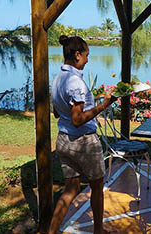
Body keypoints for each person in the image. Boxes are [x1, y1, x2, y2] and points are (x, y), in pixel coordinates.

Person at [49, 35, 115, 234]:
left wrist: (89, 102)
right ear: (77, 54)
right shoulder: (76, 82)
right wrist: (103, 105)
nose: (87, 60)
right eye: (86, 55)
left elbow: (57, 112)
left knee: (70, 190)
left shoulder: (58, 79)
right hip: (83, 143)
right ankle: (98, 231)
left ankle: (50, 232)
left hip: (63, 141)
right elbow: (78, 120)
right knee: (97, 186)